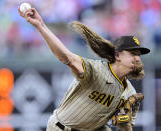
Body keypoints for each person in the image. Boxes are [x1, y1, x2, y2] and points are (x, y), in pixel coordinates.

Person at [18, 5, 150, 131]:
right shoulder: (97, 70)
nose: (137, 59)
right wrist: (41, 25)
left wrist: (123, 121)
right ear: (117, 55)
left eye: (138, 55)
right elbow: (67, 58)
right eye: (132, 54)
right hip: (62, 127)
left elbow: (124, 127)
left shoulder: (131, 95)